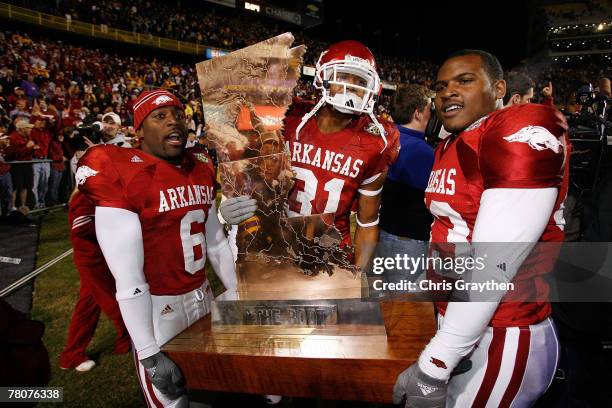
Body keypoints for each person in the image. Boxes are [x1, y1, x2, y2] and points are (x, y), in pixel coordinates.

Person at [392, 50, 569, 407]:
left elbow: (492, 267)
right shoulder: (452, 143)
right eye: (440, 86)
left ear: (499, 87)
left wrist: (434, 366)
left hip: (503, 330)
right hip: (460, 321)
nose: (447, 92)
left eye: (464, 80)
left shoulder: (514, 132)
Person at [76, 89, 238, 407]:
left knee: (210, 388)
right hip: (159, 311)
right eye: (159, 116)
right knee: (173, 400)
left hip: (203, 298)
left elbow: (216, 242)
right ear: (139, 130)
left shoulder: (200, 167)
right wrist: (149, 353)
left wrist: (235, 291)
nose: (173, 121)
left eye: (178, 114)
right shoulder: (122, 170)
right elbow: (128, 277)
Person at [221, 41, 400, 270]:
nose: (352, 87)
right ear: (322, 77)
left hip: (330, 256)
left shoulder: (377, 140)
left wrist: (357, 276)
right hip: (277, 245)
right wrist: (228, 206)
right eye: (344, 76)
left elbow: (367, 222)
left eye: (360, 81)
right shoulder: (289, 116)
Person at [59, 190, 130, 372]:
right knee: (113, 302)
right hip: (93, 259)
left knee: (87, 307)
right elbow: (81, 227)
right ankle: (128, 338)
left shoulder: (95, 189)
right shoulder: (86, 193)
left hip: (99, 255)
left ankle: (71, 355)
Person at [377, 84, 434, 279]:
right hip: (408, 242)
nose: (431, 114)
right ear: (418, 113)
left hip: (379, 232)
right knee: (400, 304)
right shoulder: (425, 153)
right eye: (428, 109)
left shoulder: (382, 139)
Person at [8, 118, 37, 210]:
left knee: (26, 186)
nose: (30, 130)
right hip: (17, 166)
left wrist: (32, 148)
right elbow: (16, 154)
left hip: (27, 164)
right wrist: (27, 147)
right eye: (28, 128)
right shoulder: (13, 137)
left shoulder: (28, 137)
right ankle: (12, 206)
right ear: (22, 129)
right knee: (15, 186)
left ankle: (22, 206)